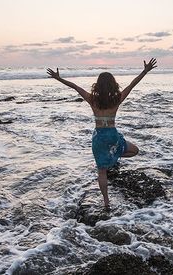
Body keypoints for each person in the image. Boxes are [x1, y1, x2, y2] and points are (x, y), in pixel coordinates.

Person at [47, 58, 157, 208]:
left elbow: (74, 87)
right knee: (135, 151)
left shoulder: (92, 99)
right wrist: (145, 71)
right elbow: (133, 84)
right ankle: (113, 157)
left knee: (102, 171)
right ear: (113, 84)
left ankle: (106, 203)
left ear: (98, 85)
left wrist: (58, 78)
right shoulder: (117, 98)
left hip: (99, 137)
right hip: (112, 135)